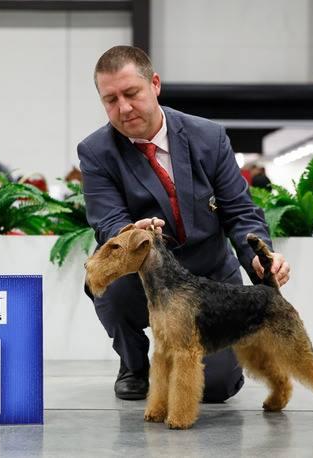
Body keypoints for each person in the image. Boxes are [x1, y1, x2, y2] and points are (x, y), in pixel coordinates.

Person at [78, 46, 290, 402]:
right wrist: (132, 232)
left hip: (210, 279)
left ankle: (186, 365)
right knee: (107, 287)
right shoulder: (95, 151)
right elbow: (108, 219)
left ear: (155, 84)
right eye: (110, 100)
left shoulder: (209, 136)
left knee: (216, 388)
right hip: (146, 277)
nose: (124, 108)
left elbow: (239, 211)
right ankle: (133, 364)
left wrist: (260, 258)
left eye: (132, 93)